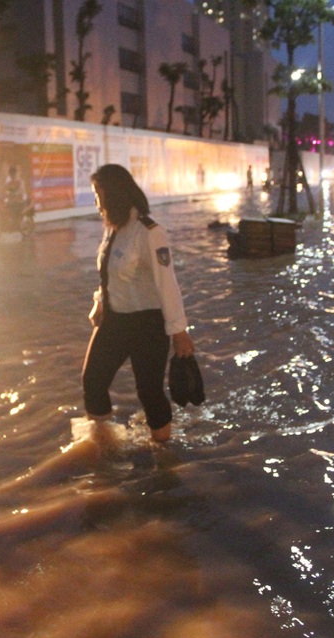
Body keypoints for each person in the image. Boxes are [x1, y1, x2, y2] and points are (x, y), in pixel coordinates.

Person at [82, 164, 194, 443]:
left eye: (98, 194)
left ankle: (163, 453)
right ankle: (104, 444)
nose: (96, 202)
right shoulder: (114, 228)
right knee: (93, 381)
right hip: (115, 320)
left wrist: (179, 332)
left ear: (114, 194)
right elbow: (109, 273)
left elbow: (166, 283)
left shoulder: (149, 232)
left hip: (147, 323)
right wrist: (100, 302)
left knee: (149, 391)